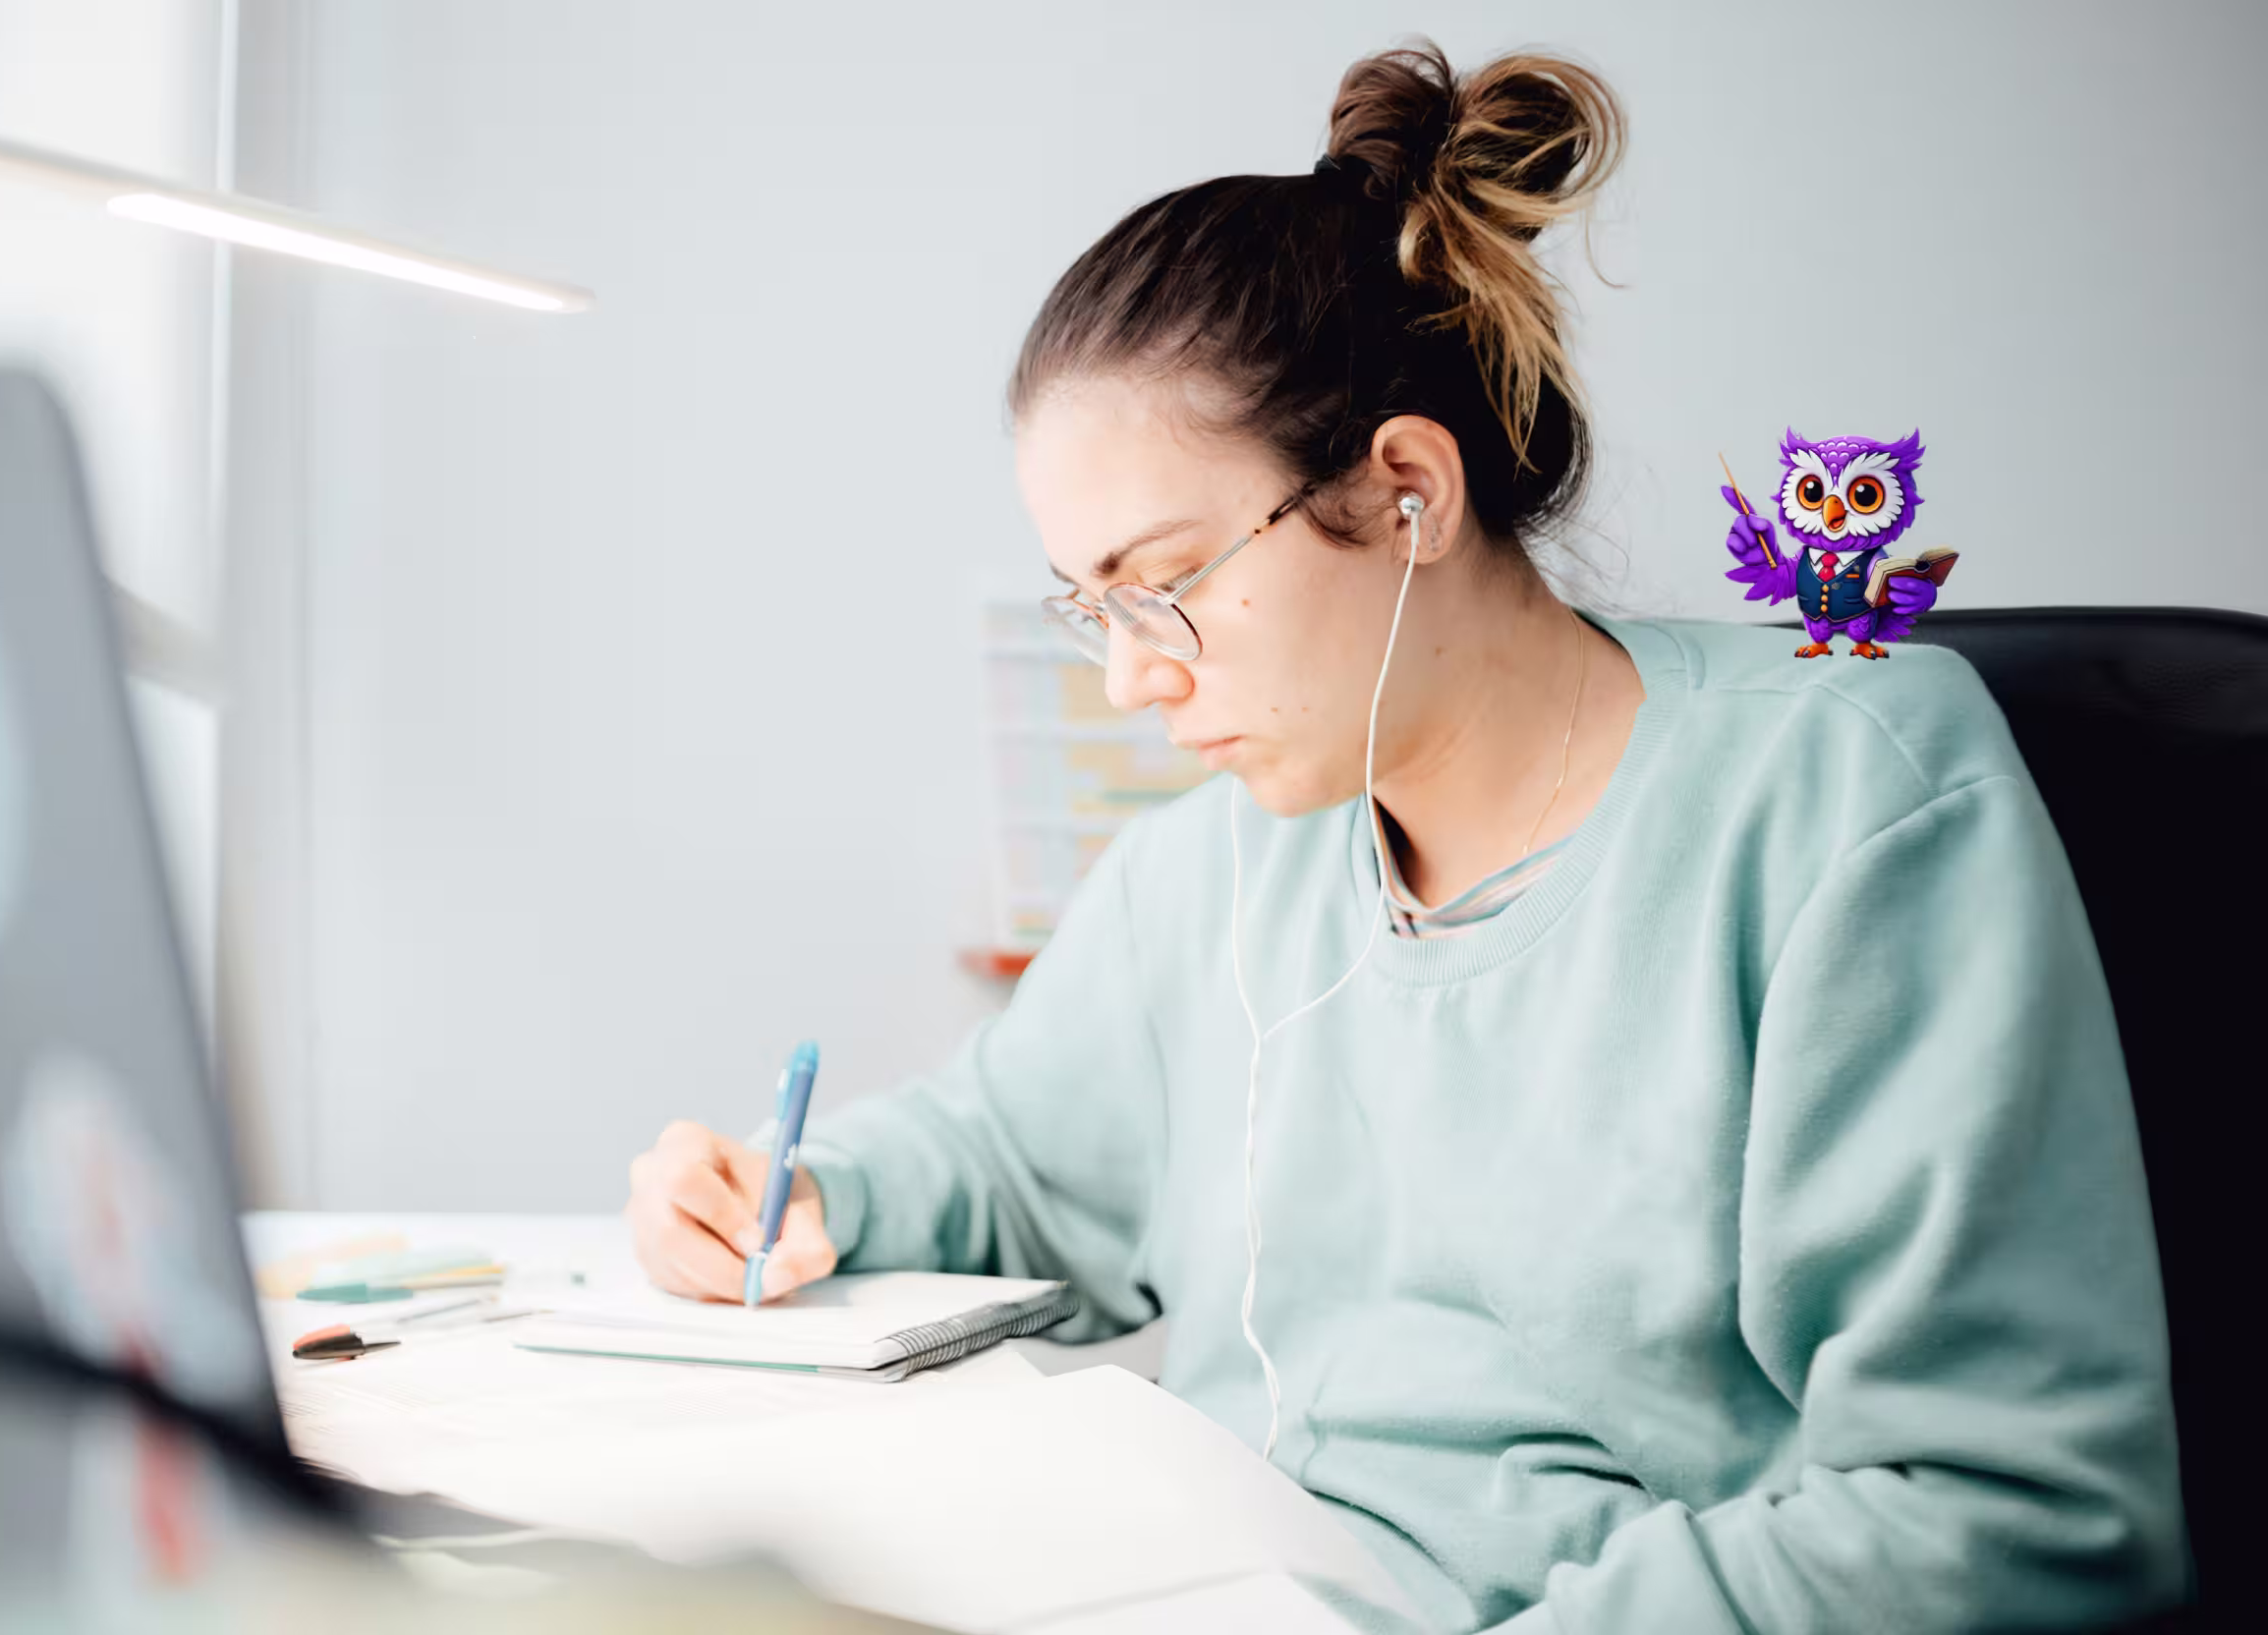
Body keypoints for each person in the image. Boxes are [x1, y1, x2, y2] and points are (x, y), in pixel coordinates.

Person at [623, 41, 2185, 1634]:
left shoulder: (1844, 797)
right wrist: (794, 1188)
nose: (1127, 676)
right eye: (1090, 607)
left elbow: (2005, 1509)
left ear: (1410, 494)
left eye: (1162, 582)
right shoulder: (1214, 870)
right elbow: (1008, 1160)